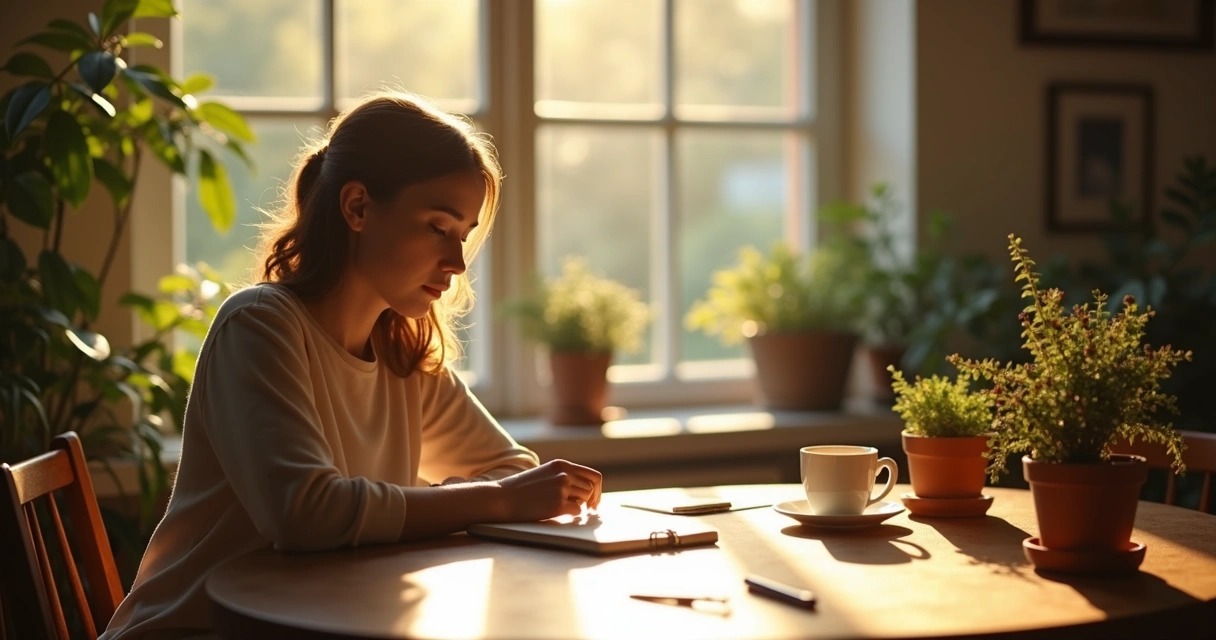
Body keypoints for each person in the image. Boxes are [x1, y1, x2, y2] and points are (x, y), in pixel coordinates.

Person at [101, 91, 603, 639]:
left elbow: (511, 466)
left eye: (462, 236)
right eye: (439, 226)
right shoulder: (258, 326)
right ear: (358, 207)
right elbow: (305, 515)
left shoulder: (403, 351)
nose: (457, 263)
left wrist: (433, 504)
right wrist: (485, 500)